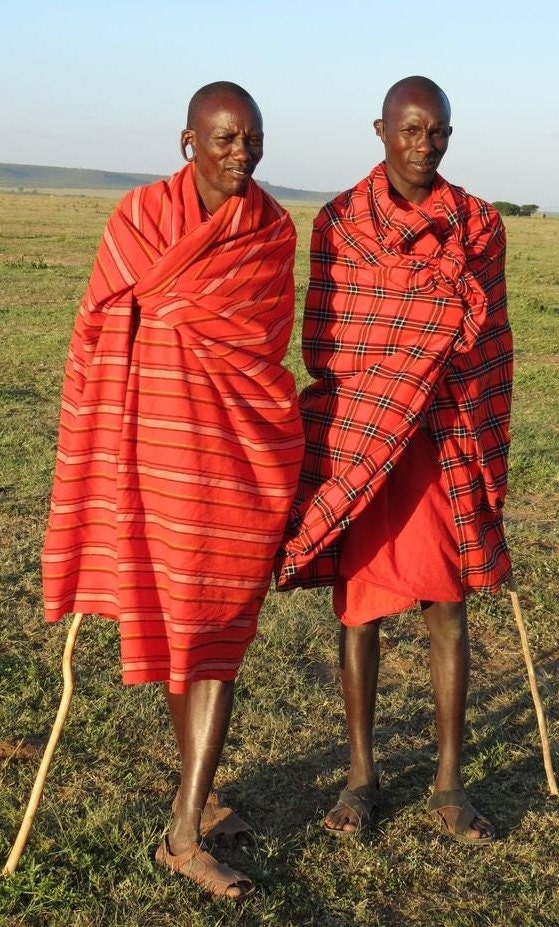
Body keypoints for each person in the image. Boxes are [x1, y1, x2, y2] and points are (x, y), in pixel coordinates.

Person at [41, 81, 304, 898]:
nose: (241, 154)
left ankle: (186, 825)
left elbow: (262, 344)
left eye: (252, 139)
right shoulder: (140, 220)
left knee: (215, 636)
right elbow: (96, 326)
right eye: (223, 139)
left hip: (234, 463)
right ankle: (194, 810)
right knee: (181, 639)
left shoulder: (272, 229)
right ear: (187, 141)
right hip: (155, 461)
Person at [276, 76, 512, 845]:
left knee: (447, 604)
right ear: (379, 129)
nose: (424, 145)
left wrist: (453, 395)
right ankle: (360, 776)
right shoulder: (341, 221)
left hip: (440, 435)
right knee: (360, 611)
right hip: (369, 434)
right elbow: (327, 342)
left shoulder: (476, 223)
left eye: (437, 131)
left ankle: (449, 782)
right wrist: (399, 371)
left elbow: (487, 346)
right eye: (410, 130)